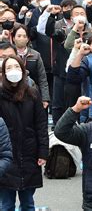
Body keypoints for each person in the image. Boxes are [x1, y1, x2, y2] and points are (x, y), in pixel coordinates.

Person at [0, 56, 48, 211]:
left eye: (16, 66)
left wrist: (43, 152)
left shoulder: (33, 93)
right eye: (8, 68)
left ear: (22, 70)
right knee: (6, 204)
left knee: (28, 203)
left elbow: (41, 125)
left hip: (29, 154)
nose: (13, 70)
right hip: (6, 156)